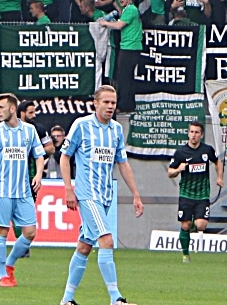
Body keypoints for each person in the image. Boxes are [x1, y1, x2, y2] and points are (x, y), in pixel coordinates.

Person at [59, 85, 144, 305]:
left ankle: (67, 299)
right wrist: (69, 188)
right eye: (106, 102)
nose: (110, 107)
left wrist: (135, 194)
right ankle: (116, 299)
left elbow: (123, 163)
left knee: (85, 246)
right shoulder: (81, 125)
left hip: (106, 195)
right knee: (106, 241)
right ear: (95, 103)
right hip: (88, 195)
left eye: (113, 103)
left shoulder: (116, 129)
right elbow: (65, 157)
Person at [0, 92, 46, 287]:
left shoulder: (29, 131)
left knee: (30, 232)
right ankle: (3, 276)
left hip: (24, 191)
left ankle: (9, 264)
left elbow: (39, 155)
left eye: (1, 107)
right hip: (3, 191)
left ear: (12, 109)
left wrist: (39, 174)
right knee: (1, 232)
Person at [167, 120, 221, 262]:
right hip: (186, 194)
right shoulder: (180, 152)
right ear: (188, 133)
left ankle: (192, 223)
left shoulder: (207, 150)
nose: (193, 135)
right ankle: (185, 254)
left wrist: (220, 177)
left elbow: (217, 162)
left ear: (201, 135)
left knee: (201, 225)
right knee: (185, 225)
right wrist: (179, 169)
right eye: (191, 132)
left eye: (197, 132)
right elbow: (170, 172)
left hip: (202, 194)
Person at [102, 0, 143, 113]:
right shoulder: (127, 10)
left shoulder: (131, 9)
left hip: (129, 48)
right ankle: (129, 105)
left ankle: (123, 105)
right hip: (130, 47)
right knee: (127, 77)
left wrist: (105, 23)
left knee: (123, 78)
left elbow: (119, 25)